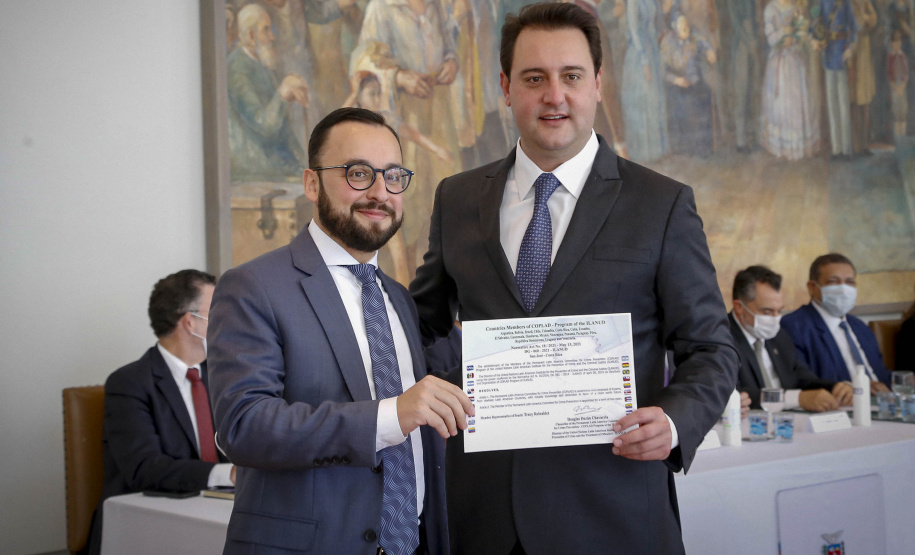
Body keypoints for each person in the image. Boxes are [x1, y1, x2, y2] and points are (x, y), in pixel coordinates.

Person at [409, 4, 738, 553]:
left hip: (615, 508)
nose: (554, 96)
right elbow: (420, 324)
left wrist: (676, 422)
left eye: (571, 76)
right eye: (534, 78)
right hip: (487, 515)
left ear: (598, 86)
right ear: (506, 87)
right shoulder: (458, 198)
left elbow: (710, 346)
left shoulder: (660, 203)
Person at [208, 107, 473, 554]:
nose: (379, 192)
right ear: (312, 183)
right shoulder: (254, 286)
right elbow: (244, 425)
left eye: (392, 176)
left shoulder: (398, 298)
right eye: (357, 173)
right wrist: (391, 415)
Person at [88, 270, 234, 555]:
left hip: (215, 511)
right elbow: (144, 468)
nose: (228, 320)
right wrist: (228, 474)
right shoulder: (129, 383)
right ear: (190, 322)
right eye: (218, 310)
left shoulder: (222, 376)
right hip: (147, 524)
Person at [730, 265, 853, 412]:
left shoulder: (779, 335)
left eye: (779, 311)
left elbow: (803, 378)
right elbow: (732, 393)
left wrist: (835, 388)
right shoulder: (720, 339)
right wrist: (796, 399)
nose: (776, 319)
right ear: (739, 307)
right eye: (767, 311)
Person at [781, 253, 892, 391]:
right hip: (839, 406)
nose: (844, 289)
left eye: (850, 282)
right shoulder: (794, 326)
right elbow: (804, 381)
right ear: (812, 287)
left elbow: (881, 375)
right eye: (833, 282)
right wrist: (856, 388)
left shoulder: (859, 326)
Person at [227, 4, 309, 180]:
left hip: (278, 164)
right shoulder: (237, 69)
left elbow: (282, 129)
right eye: (266, 30)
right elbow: (264, 125)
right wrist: (282, 94)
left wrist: (301, 162)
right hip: (256, 170)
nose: (272, 37)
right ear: (250, 35)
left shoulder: (262, 64)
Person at [810, 0, 858, 160]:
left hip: (842, 55)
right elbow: (816, 24)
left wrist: (851, 48)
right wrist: (814, 39)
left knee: (844, 105)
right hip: (829, 53)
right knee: (832, 105)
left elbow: (854, 28)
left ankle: (846, 149)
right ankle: (836, 150)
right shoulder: (823, 2)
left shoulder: (845, 3)